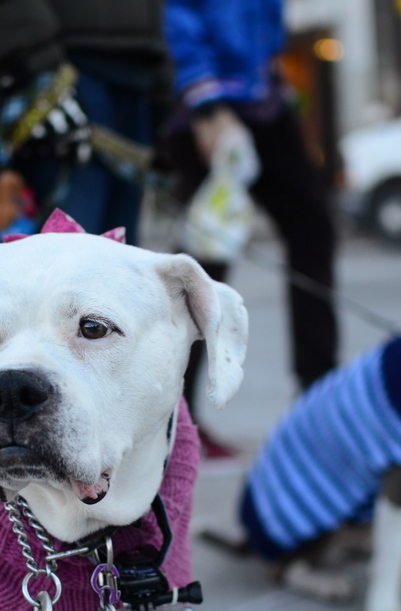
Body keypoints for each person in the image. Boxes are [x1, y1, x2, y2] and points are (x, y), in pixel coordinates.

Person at [162, 0, 340, 457]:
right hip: (210, 104)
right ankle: (173, 422)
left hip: (264, 98)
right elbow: (176, 14)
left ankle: (319, 403)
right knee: (202, 262)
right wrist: (205, 102)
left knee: (313, 232)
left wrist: (273, 71)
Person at [0, 0, 170, 246]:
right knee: (45, 259)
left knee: (109, 262)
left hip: (127, 63)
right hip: (25, 53)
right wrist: (24, 56)